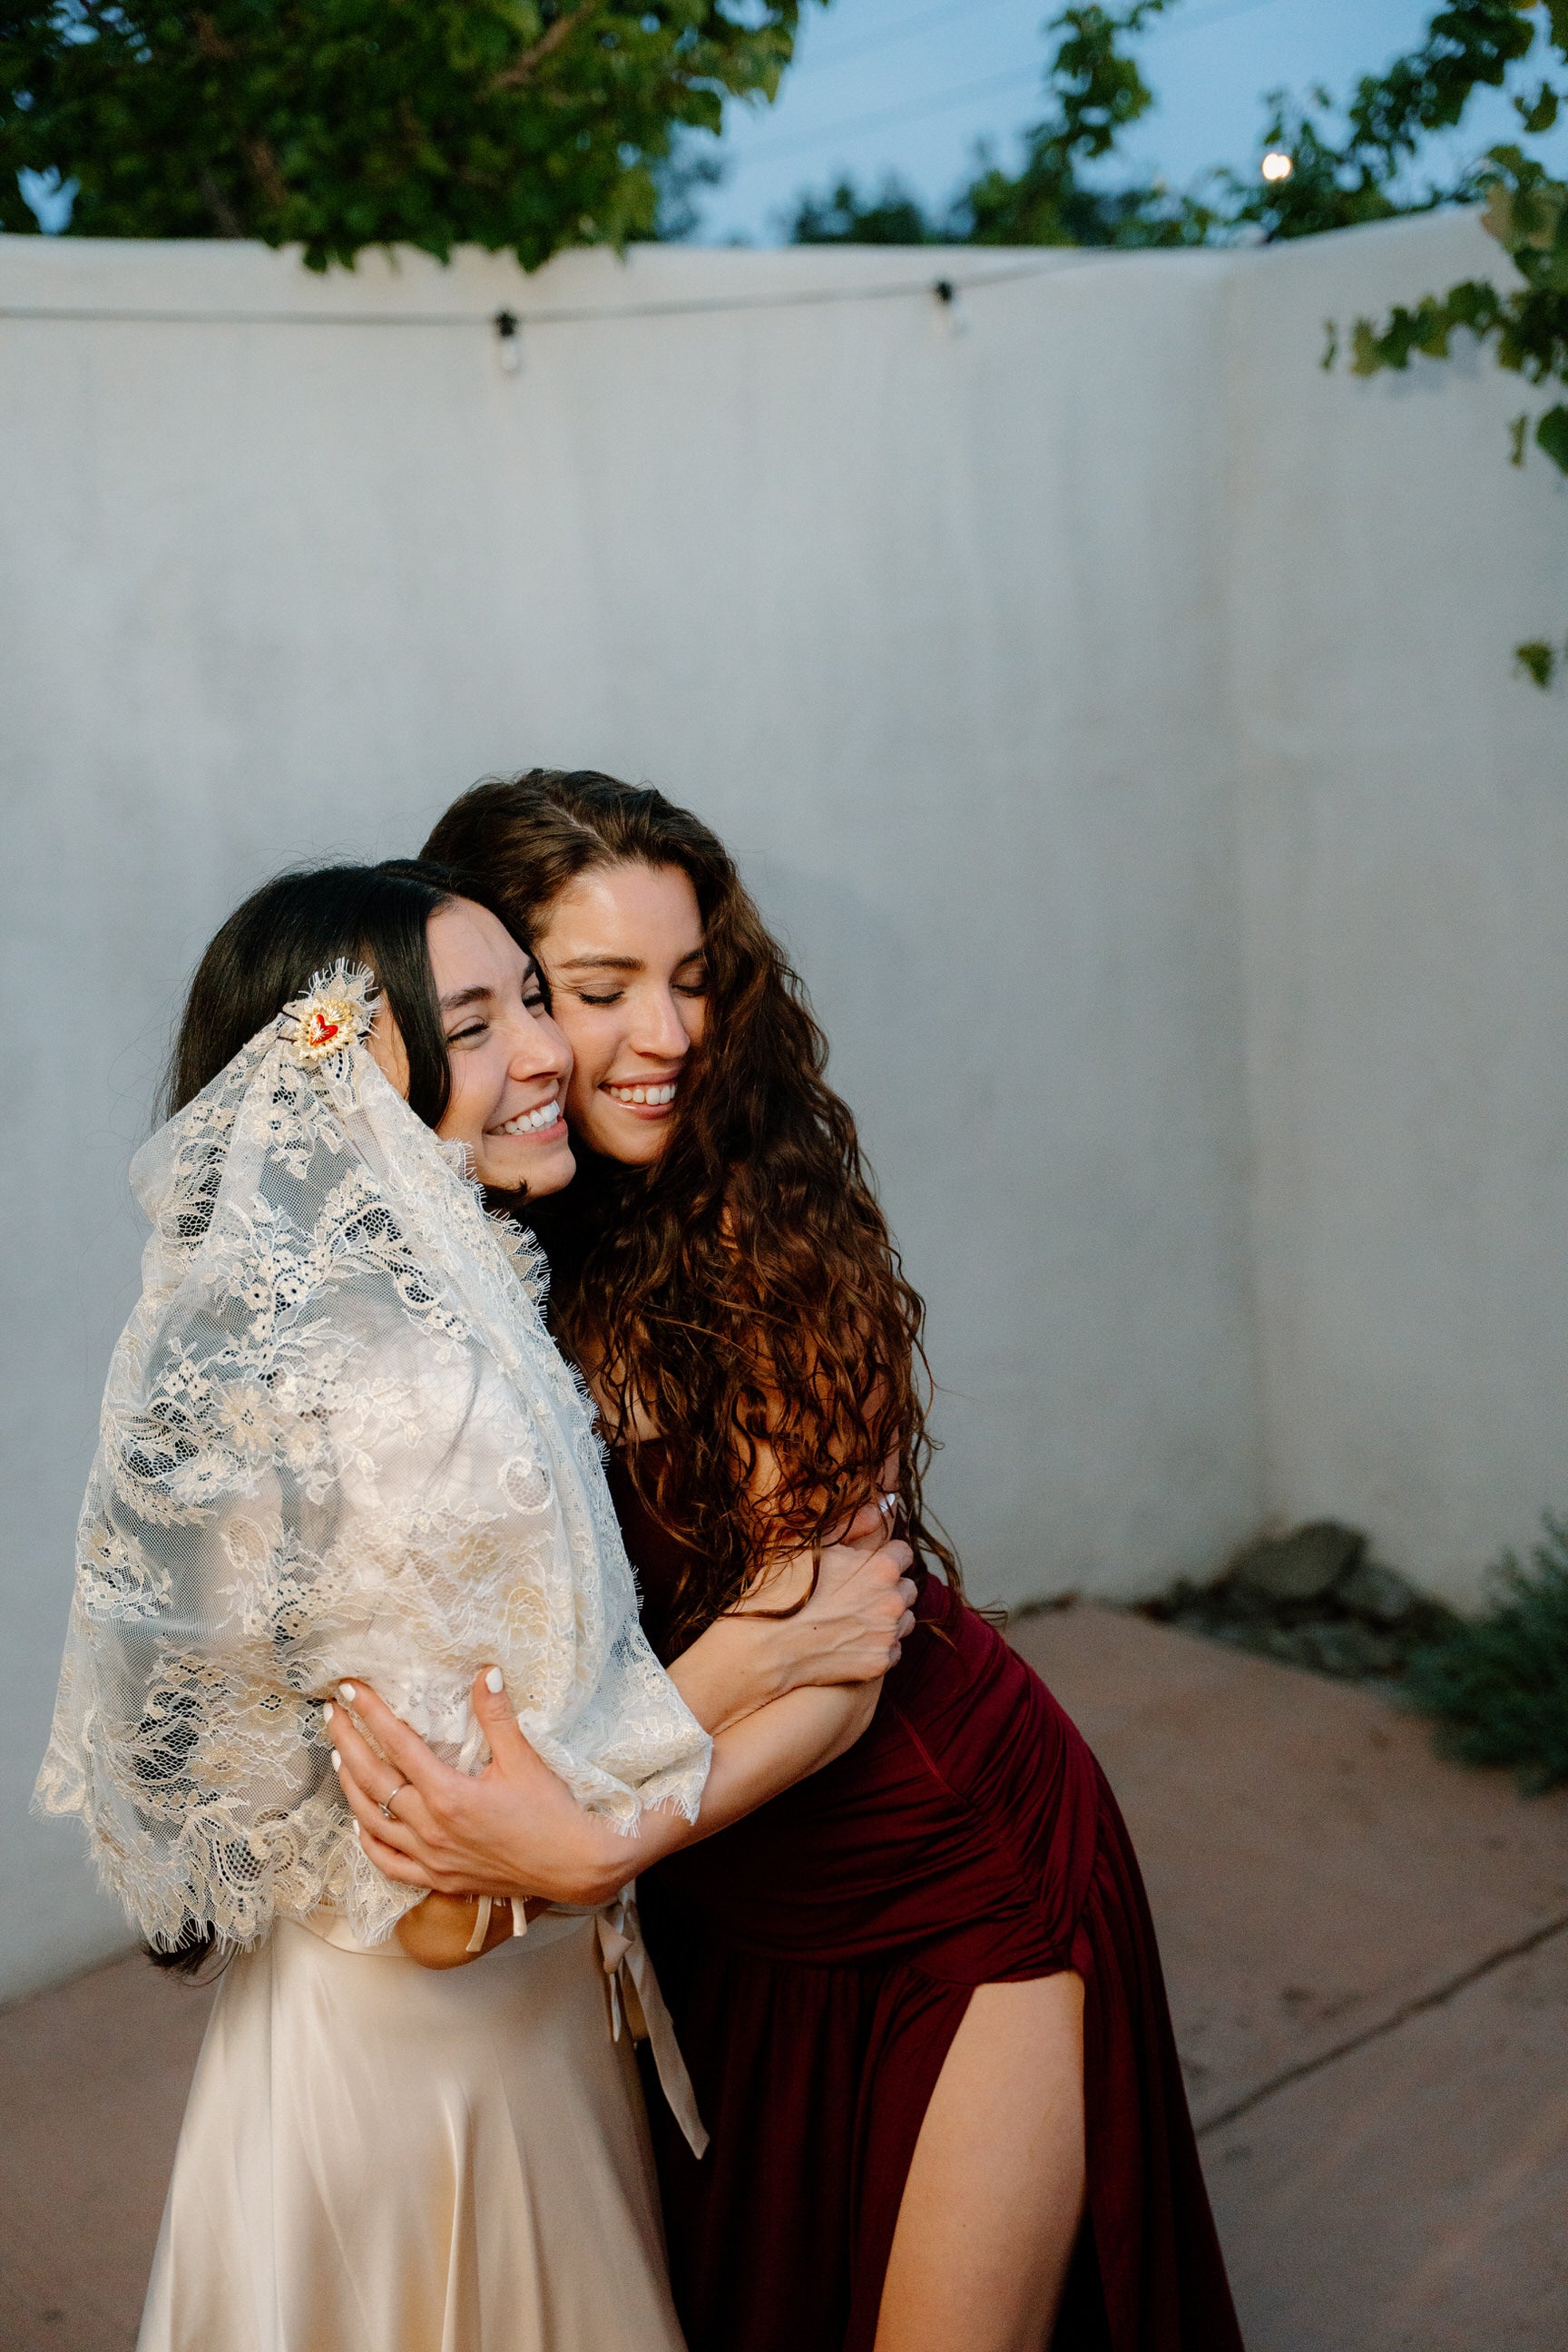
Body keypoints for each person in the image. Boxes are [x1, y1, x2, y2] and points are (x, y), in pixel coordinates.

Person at [330, 778, 1245, 2352]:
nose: (669, 1034)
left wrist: (593, 1848)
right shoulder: (480, 1242)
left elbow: (833, 1665)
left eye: (691, 981)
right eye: (603, 991)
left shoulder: (759, 1228)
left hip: (949, 1874)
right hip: (711, 1907)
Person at [35, 858, 916, 2352]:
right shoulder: (405, 1387)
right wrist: (766, 1647)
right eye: (475, 1020)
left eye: (530, 998)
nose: (546, 1054)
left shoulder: (427, 1308)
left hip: (480, 2026)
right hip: (428, 2064)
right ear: (337, 1066)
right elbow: (449, 1868)